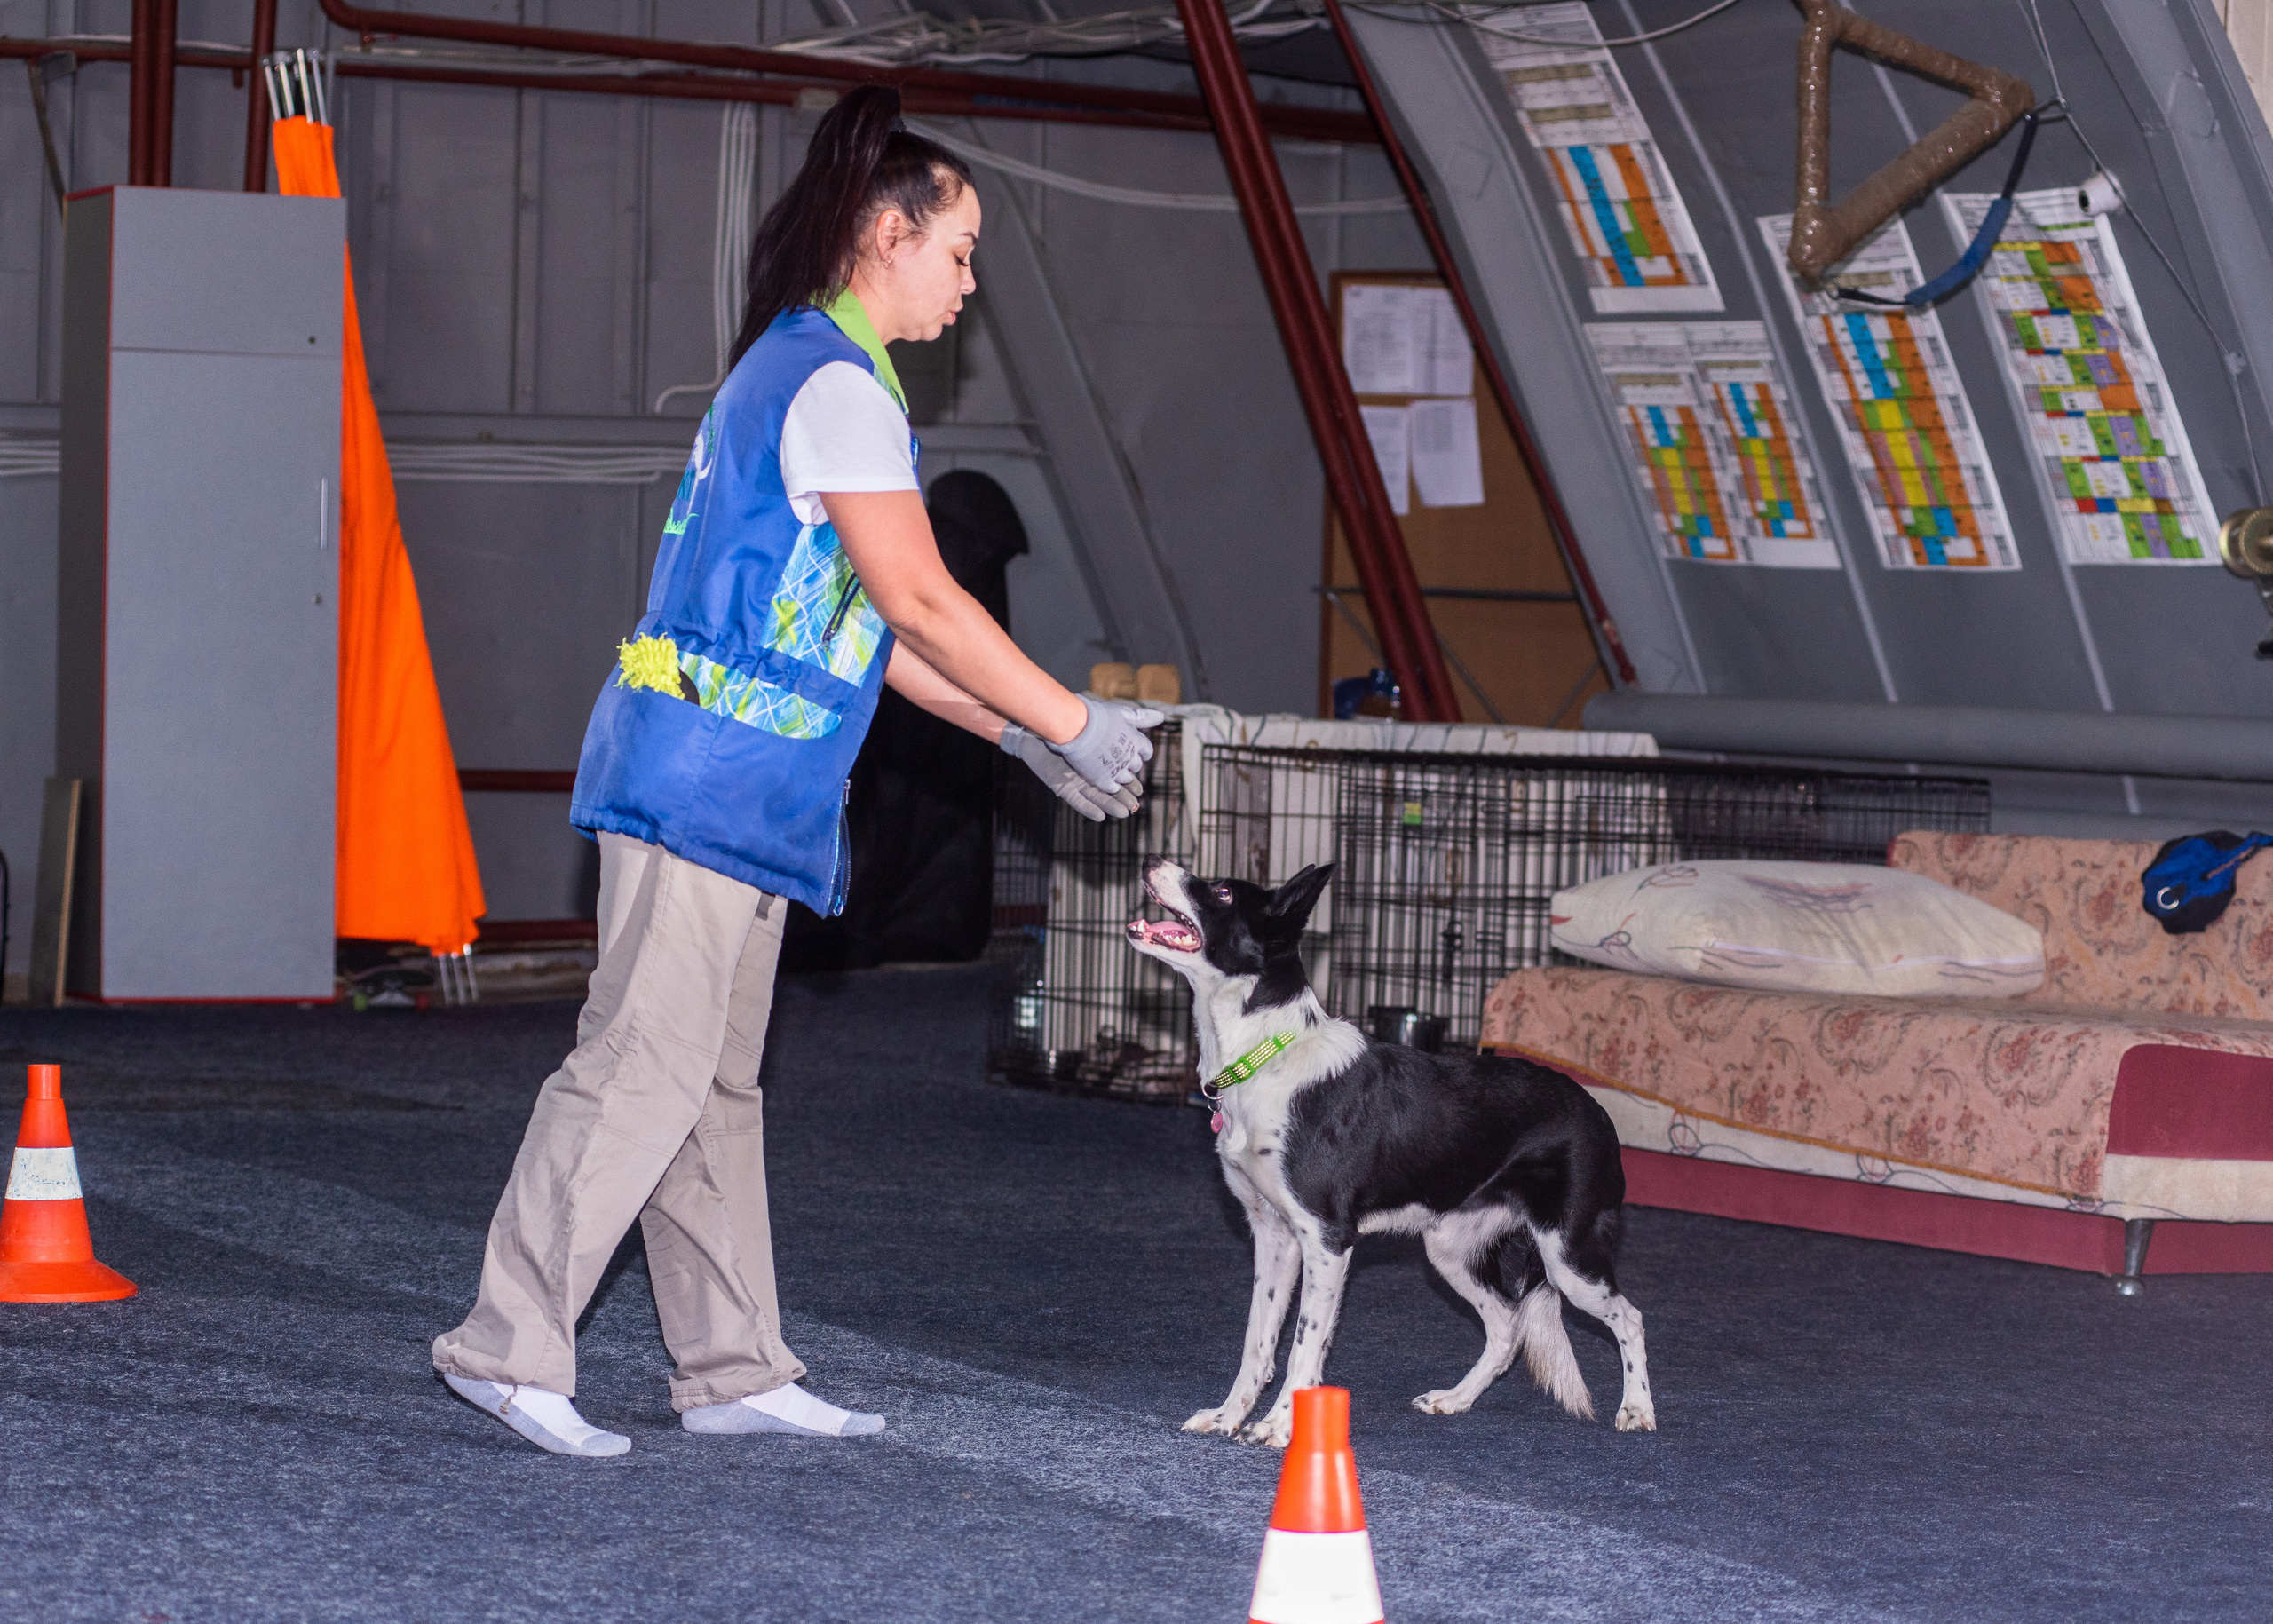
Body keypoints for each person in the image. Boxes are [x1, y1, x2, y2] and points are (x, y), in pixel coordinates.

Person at [432, 85, 1161, 1457]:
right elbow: (927, 599)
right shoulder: (832, 384)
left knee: (711, 1086)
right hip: (704, 782)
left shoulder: (819, 373)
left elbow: (870, 637)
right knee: (643, 1066)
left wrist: (1015, 736)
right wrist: (1069, 715)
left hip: (738, 791)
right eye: (959, 251)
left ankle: (733, 1366)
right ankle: (507, 1343)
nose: (969, 283)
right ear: (887, 233)